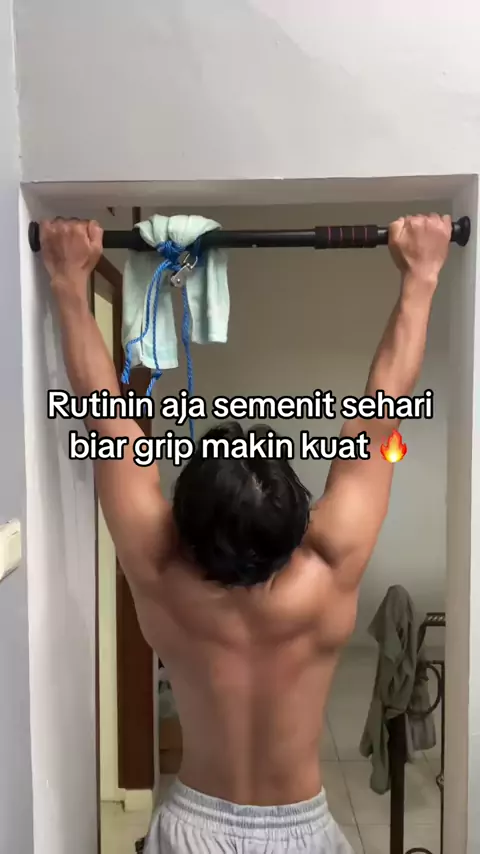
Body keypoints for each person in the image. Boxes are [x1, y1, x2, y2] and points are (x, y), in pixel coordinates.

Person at [40, 213, 452, 854]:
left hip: (191, 830)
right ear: (298, 515)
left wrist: (69, 284)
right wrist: (421, 275)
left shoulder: (161, 571)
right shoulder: (330, 568)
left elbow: (106, 420)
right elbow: (383, 406)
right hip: (302, 833)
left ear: (184, 519)